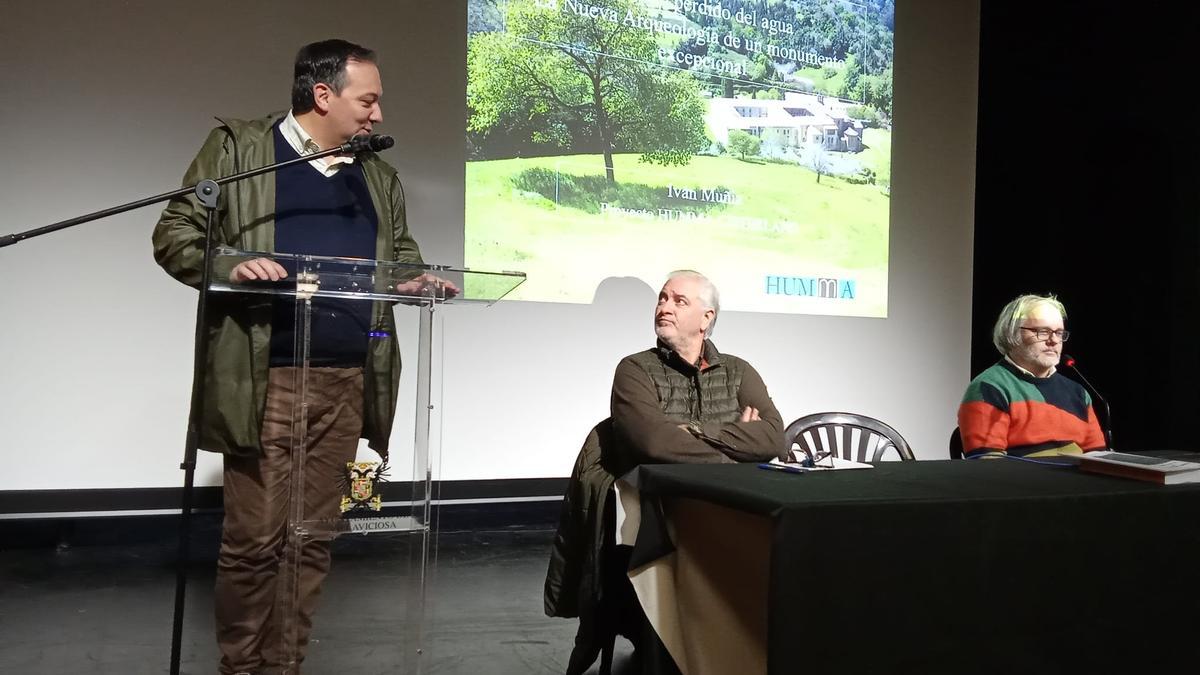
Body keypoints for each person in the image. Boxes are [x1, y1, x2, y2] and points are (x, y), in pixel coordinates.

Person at [152, 39, 452, 675]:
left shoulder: (379, 176)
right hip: (267, 382)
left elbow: (400, 254)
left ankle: (285, 666)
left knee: (314, 541)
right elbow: (176, 237)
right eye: (367, 100)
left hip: (349, 383)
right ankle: (242, 667)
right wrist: (234, 263)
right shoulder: (240, 152)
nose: (376, 114)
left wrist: (413, 279)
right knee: (253, 542)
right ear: (324, 96)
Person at [544, 270, 787, 674]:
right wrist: (737, 443)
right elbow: (654, 444)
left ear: (706, 318)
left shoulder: (739, 371)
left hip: (726, 505)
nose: (664, 307)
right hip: (657, 506)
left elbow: (773, 438)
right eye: (662, 298)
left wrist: (691, 430)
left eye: (679, 301)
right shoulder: (635, 370)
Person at [958, 293, 1106, 458]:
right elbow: (987, 464)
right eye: (1042, 331)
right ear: (1012, 334)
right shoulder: (989, 387)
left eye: (1059, 333)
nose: (1053, 340)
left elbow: (1098, 457)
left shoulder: (1078, 392)